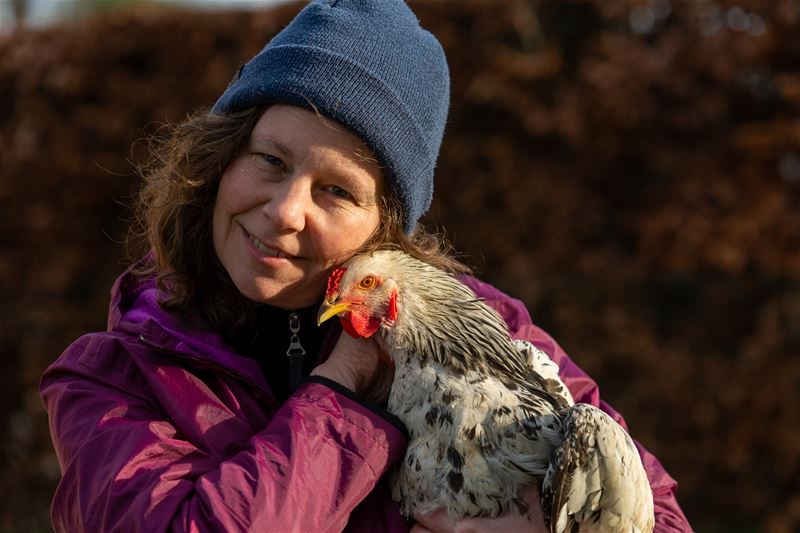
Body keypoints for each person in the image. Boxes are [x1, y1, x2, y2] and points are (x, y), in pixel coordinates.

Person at [40, 1, 692, 531]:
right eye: (270, 159)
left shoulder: (496, 335)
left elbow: (653, 511)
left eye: (336, 190)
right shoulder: (113, 376)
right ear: (222, 159)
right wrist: (342, 389)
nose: (285, 210)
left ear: (384, 229)